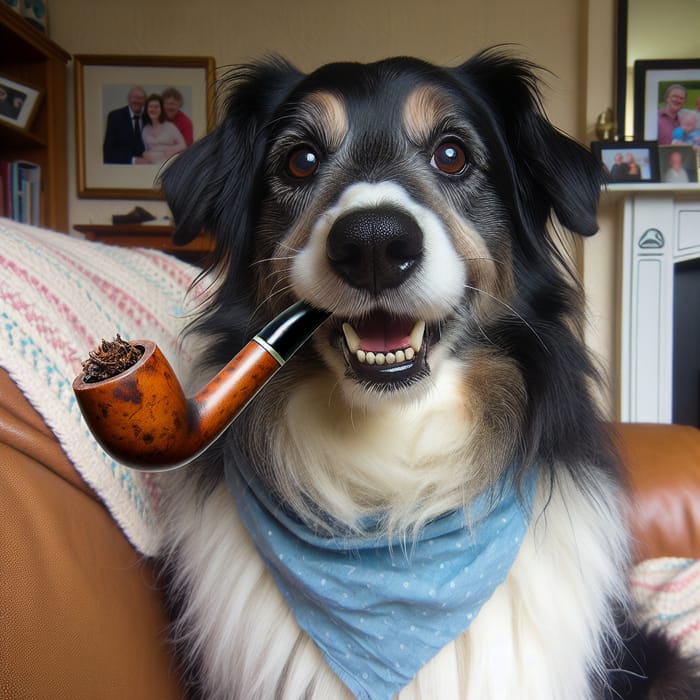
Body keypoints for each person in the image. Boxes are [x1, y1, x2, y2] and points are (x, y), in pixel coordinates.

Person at [135, 93, 186, 165]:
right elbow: (145, 150)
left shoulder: (170, 127)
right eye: (151, 106)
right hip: (150, 166)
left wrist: (170, 150)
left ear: (161, 109)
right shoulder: (145, 130)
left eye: (156, 107)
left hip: (168, 164)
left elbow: (183, 145)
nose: (153, 109)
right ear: (146, 109)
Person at [103, 86, 147, 164]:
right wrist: (133, 160)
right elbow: (108, 151)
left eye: (140, 98)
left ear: (144, 101)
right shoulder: (115, 117)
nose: (137, 101)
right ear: (128, 99)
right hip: (121, 168)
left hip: (144, 169)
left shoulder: (148, 118)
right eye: (134, 97)